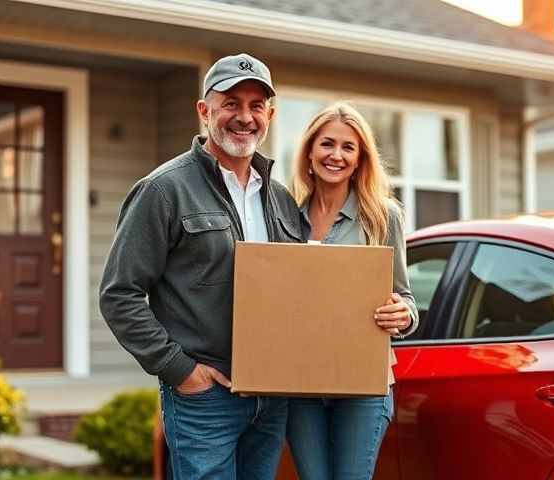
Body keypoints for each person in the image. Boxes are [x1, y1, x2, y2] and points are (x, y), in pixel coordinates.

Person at [99, 53, 302, 479]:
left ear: (270, 114)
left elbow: (301, 289)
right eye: (230, 103)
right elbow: (119, 294)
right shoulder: (164, 190)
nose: (244, 117)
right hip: (205, 396)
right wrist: (181, 371)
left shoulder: (280, 198)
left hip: (271, 396)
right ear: (204, 110)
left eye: (255, 105)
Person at [286, 102, 419, 480]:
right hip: (300, 382)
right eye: (327, 144)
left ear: (360, 159)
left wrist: (403, 314)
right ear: (310, 152)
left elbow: (406, 299)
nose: (336, 155)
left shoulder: (382, 216)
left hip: (363, 382)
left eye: (349, 147)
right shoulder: (285, 215)